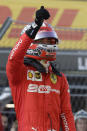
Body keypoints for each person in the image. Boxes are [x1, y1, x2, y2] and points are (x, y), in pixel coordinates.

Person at [6, 6, 76, 131]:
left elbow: (65, 114)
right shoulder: (20, 72)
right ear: (31, 42)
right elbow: (13, 58)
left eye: (52, 41)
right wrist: (34, 27)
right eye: (45, 40)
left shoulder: (59, 78)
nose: (50, 44)